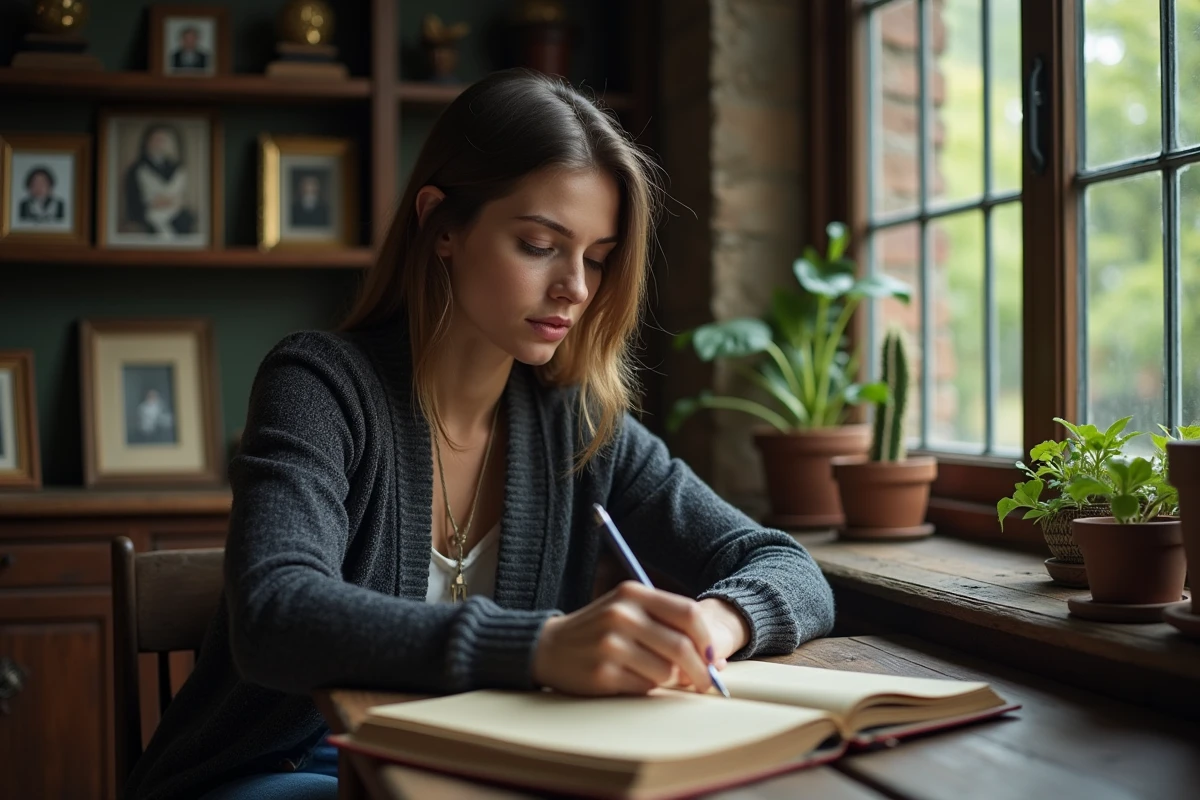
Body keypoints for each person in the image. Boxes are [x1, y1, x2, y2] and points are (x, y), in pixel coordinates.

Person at [123, 69, 836, 800]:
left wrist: (716, 625)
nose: (577, 288)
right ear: (443, 227)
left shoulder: (580, 424)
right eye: (538, 244)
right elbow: (276, 616)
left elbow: (784, 563)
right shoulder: (319, 386)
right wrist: (545, 646)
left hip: (463, 773)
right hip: (276, 771)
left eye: (596, 257)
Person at [123, 123, 196, 237]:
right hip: (147, 215)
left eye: (163, 140)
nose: (159, 144)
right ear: (147, 142)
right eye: (156, 140)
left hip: (174, 212)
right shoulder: (137, 169)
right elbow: (132, 201)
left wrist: (171, 202)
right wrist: (152, 204)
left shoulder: (175, 168)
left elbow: (181, 194)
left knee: (186, 220)